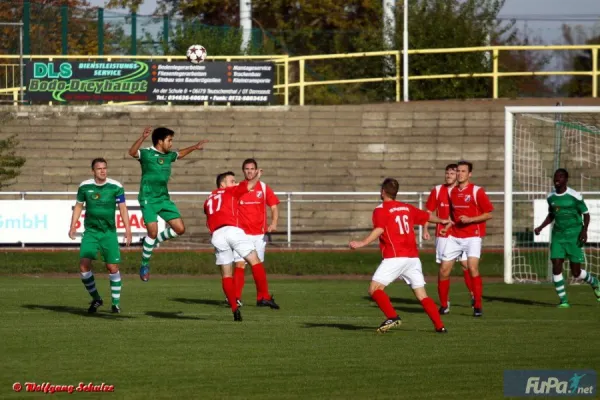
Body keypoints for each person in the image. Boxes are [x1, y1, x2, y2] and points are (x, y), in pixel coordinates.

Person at [349, 178, 450, 333]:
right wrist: (442, 220)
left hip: (395, 256)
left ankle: (392, 316)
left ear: (383, 192)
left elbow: (380, 229)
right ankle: (439, 326)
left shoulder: (380, 209)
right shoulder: (406, 207)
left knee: (374, 289)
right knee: (422, 295)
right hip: (412, 258)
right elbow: (426, 216)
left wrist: (362, 243)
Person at [128, 126, 209, 282]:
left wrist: (194, 147)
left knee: (180, 229)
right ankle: (145, 264)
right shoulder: (146, 154)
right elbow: (132, 152)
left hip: (164, 198)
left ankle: (152, 242)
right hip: (148, 199)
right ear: (160, 141)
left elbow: (180, 154)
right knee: (152, 231)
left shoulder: (169, 156)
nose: (171, 143)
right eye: (169, 140)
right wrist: (142, 137)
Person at [204, 170, 279, 322]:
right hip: (232, 230)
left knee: (226, 274)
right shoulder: (230, 191)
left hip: (217, 235)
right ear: (222, 184)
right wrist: (257, 176)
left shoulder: (209, 198)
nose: (235, 183)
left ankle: (234, 308)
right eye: (232, 181)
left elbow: (209, 213)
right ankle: (264, 296)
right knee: (255, 260)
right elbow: (249, 185)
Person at [68, 158, 132, 314]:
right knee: (83, 266)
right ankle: (96, 298)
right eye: (99, 169)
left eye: (105, 168)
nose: (103, 171)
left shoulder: (116, 187)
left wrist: (128, 230)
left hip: (108, 233)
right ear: (93, 171)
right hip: (91, 232)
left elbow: (123, 209)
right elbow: (78, 206)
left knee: (112, 267)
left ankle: (115, 304)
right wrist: (72, 225)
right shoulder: (84, 187)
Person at [534, 168, 600, 307]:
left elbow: (586, 214)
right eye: (555, 177)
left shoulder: (575, 196)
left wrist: (584, 231)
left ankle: (595, 283)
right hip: (558, 235)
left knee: (576, 272)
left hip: (574, 235)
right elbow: (552, 214)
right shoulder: (550, 197)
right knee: (556, 265)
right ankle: (563, 301)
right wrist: (541, 227)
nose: (557, 179)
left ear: (566, 179)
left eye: (560, 177)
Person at [438, 160, 493, 318]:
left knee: (472, 267)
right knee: (443, 270)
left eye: (463, 171)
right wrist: (447, 227)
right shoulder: (451, 192)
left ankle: (477, 305)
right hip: (454, 236)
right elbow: (453, 216)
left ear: (470, 174)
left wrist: (470, 219)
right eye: (458, 171)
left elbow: (488, 213)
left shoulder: (477, 191)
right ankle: (444, 306)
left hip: (473, 237)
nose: (460, 174)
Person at [229, 158, 280, 307]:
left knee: (257, 266)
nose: (249, 171)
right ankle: (236, 297)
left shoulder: (263, 188)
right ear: (243, 171)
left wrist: (274, 223)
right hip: (242, 234)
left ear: (257, 171)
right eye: (247, 169)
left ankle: (261, 297)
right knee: (239, 264)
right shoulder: (239, 188)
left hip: (259, 234)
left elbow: (274, 206)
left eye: (252, 169)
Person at [423, 164, 473, 306]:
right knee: (445, 269)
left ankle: (473, 294)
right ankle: (445, 302)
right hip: (443, 235)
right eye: (447, 173)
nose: (449, 176)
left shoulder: (462, 191)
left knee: (466, 265)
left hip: (461, 234)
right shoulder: (438, 190)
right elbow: (429, 212)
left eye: (452, 173)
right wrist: (426, 229)